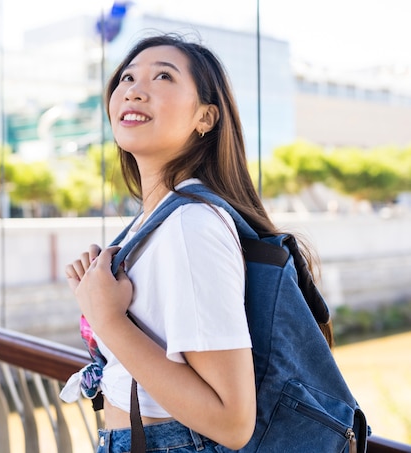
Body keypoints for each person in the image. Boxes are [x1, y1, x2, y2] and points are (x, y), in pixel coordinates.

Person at [61, 33, 328, 452]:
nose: (133, 90)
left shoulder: (191, 225)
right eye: (126, 78)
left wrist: (107, 318)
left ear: (205, 117)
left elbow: (232, 420)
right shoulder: (154, 221)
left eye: (163, 76)